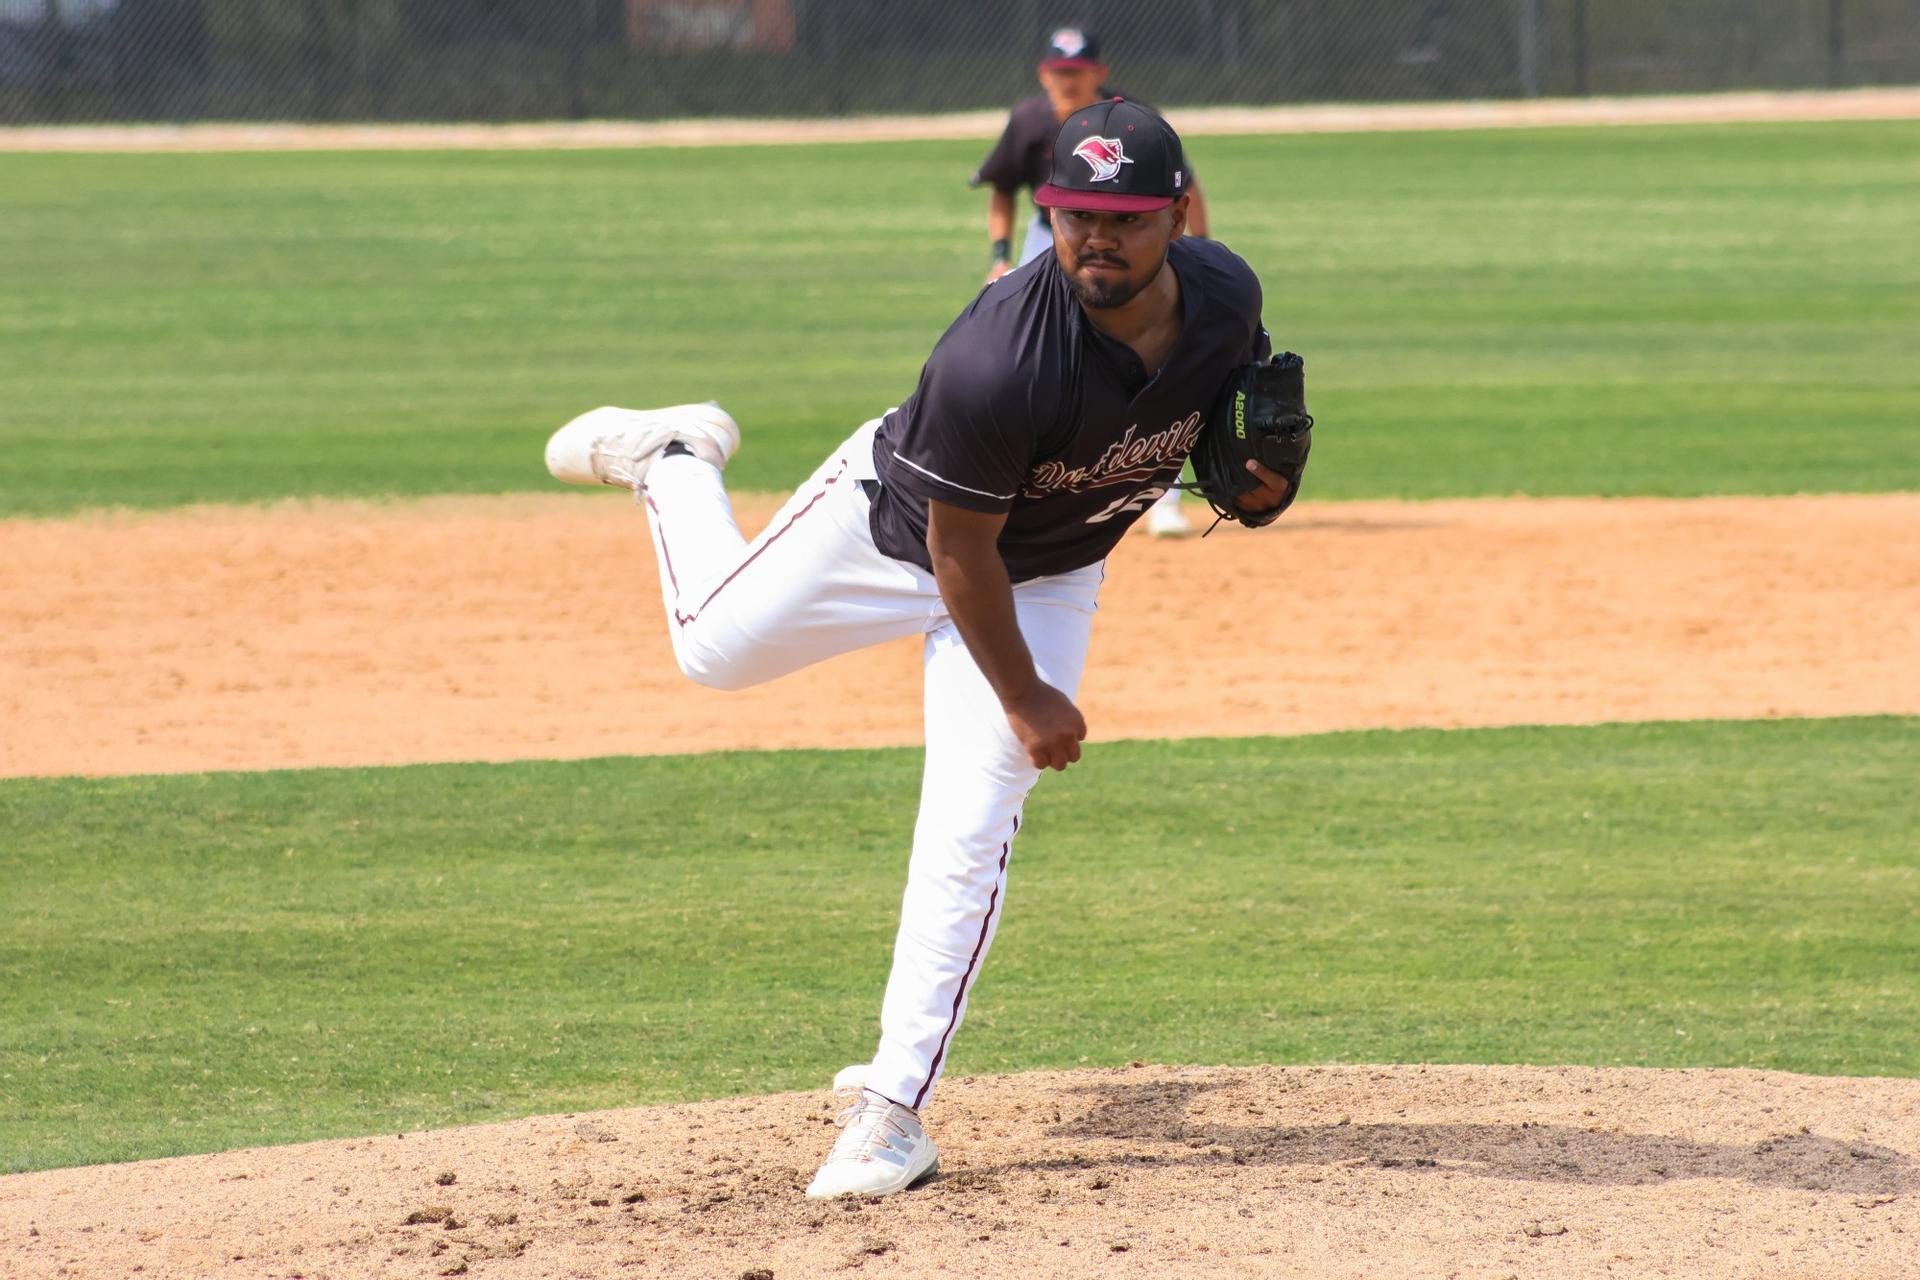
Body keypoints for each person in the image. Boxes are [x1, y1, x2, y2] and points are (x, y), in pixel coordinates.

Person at [543, 99, 1290, 1199]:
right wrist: (1030, 693)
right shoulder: (996, 362)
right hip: (895, 532)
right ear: (1051, 212)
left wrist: (1265, 480)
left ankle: (892, 1105)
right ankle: (674, 454)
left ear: (1177, 215)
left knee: (973, 815)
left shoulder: (1227, 298)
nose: (1097, 239)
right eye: (1076, 214)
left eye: (1125, 218)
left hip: (1049, 567)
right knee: (711, 650)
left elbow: (1238, 427)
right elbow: (960, 557)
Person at [973, 26, 1215, 537]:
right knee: (1030, 354)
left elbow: (1183, 187)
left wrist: (1197, 252)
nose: (1067, 81)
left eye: (1077, 72)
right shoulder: (1029, 118)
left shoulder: (1131, 121)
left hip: (1129, 240)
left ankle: (1162, 498)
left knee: (1149, 355)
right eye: (1059, 72)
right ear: (1044, 74)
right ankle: (1027, 484)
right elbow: (1002, 188)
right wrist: (999, 257)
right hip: (1049, 238)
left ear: (1098, 74)